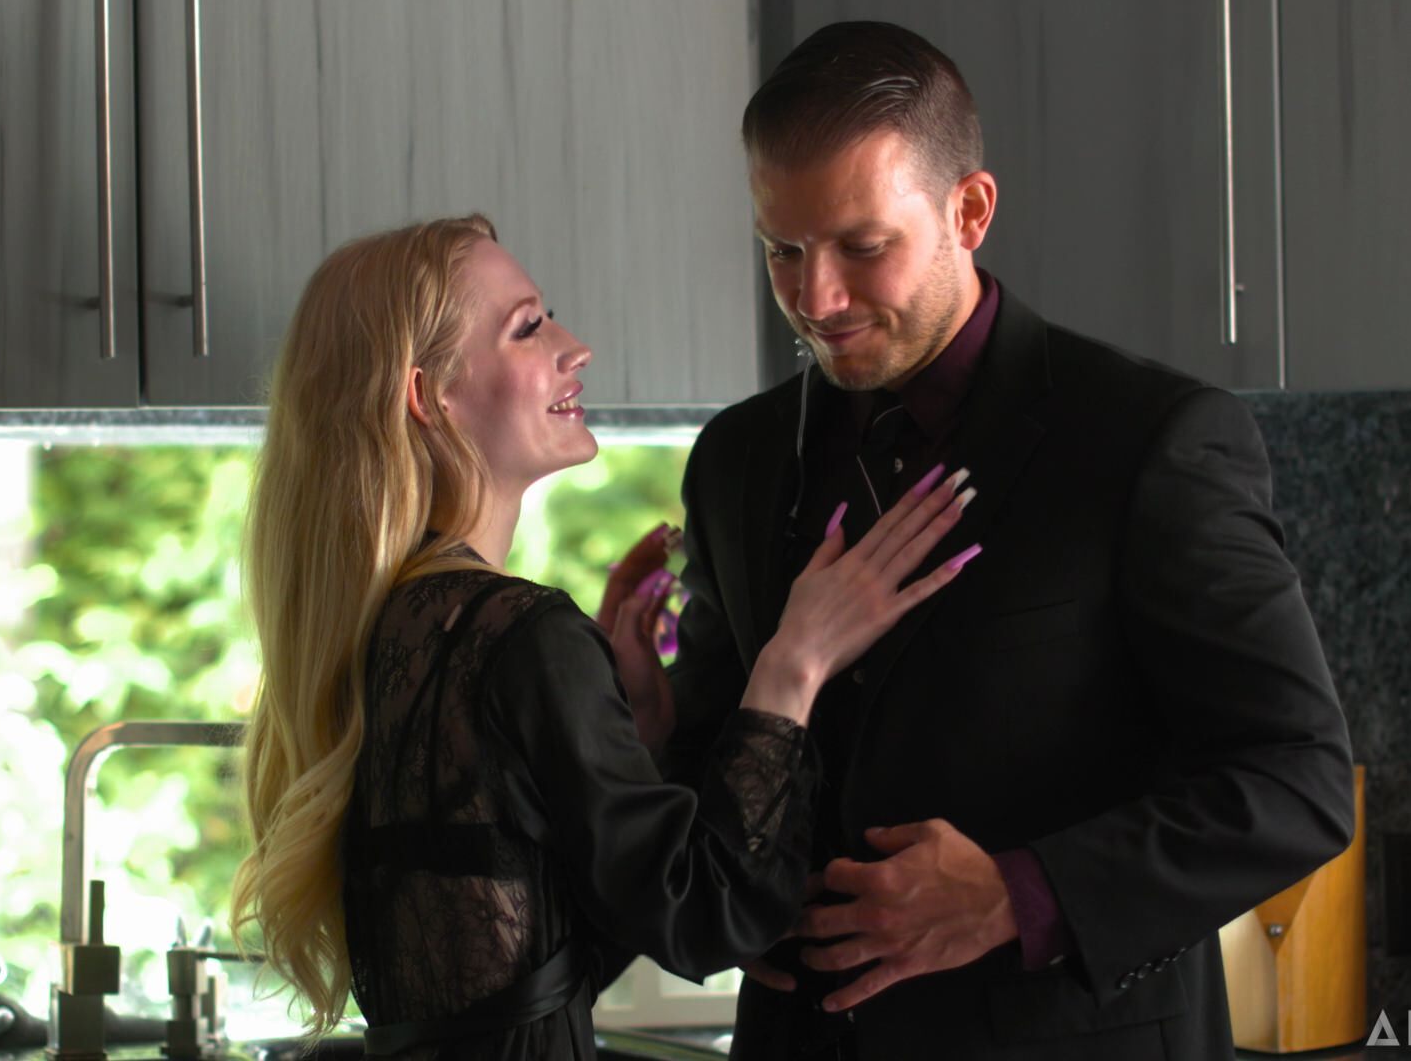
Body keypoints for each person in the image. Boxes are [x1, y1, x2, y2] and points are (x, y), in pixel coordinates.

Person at [630, 21, 1357, 1060]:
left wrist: (1019, 895)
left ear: (969, 211)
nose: (815, 298)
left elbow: (1298, 782)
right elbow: (720, 765)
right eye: (782, 250)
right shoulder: (734, 461)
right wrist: (672, 772)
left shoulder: (1147, 441)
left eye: (861, 247)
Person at [227, 214, 978, 1060]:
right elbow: (706, 919)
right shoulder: (521, 636)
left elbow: (533, 965)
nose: (574, 348)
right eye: (528, 327)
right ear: (428, 396)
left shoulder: (390, 628)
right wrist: (793, 664)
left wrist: (636, 741)